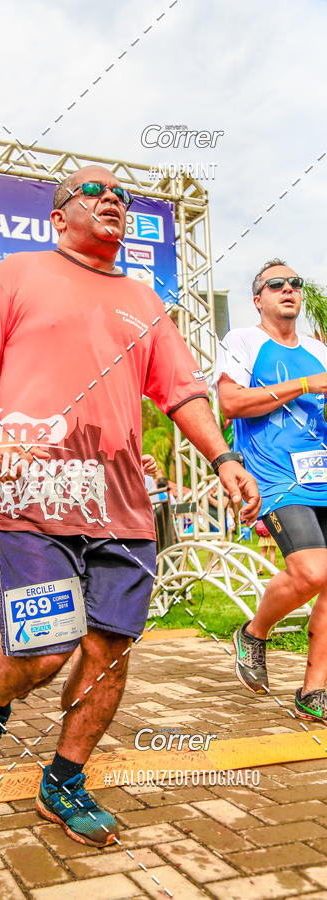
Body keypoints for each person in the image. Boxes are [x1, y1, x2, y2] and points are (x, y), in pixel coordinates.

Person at [0, 165, 260, 847]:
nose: (112, 199)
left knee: (110, 653)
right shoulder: (17, 274)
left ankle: (64, 781)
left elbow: (182, 393)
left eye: (121, 193)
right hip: (34, 495)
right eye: (94, 192)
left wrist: (225, 458)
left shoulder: (146, 301)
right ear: (58, 217)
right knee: (46, 647)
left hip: (121, 507)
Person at [215, 258, 327, 721]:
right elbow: (231, 403)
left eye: (295, 283)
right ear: (257, 298)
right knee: (314, 571)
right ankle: (255, 632)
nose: (288, 289)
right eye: (275, 284)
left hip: (322, 474)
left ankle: (313, 692)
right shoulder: (243, 341)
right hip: (279, 479)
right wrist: (305, 384)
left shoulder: (320, 349)